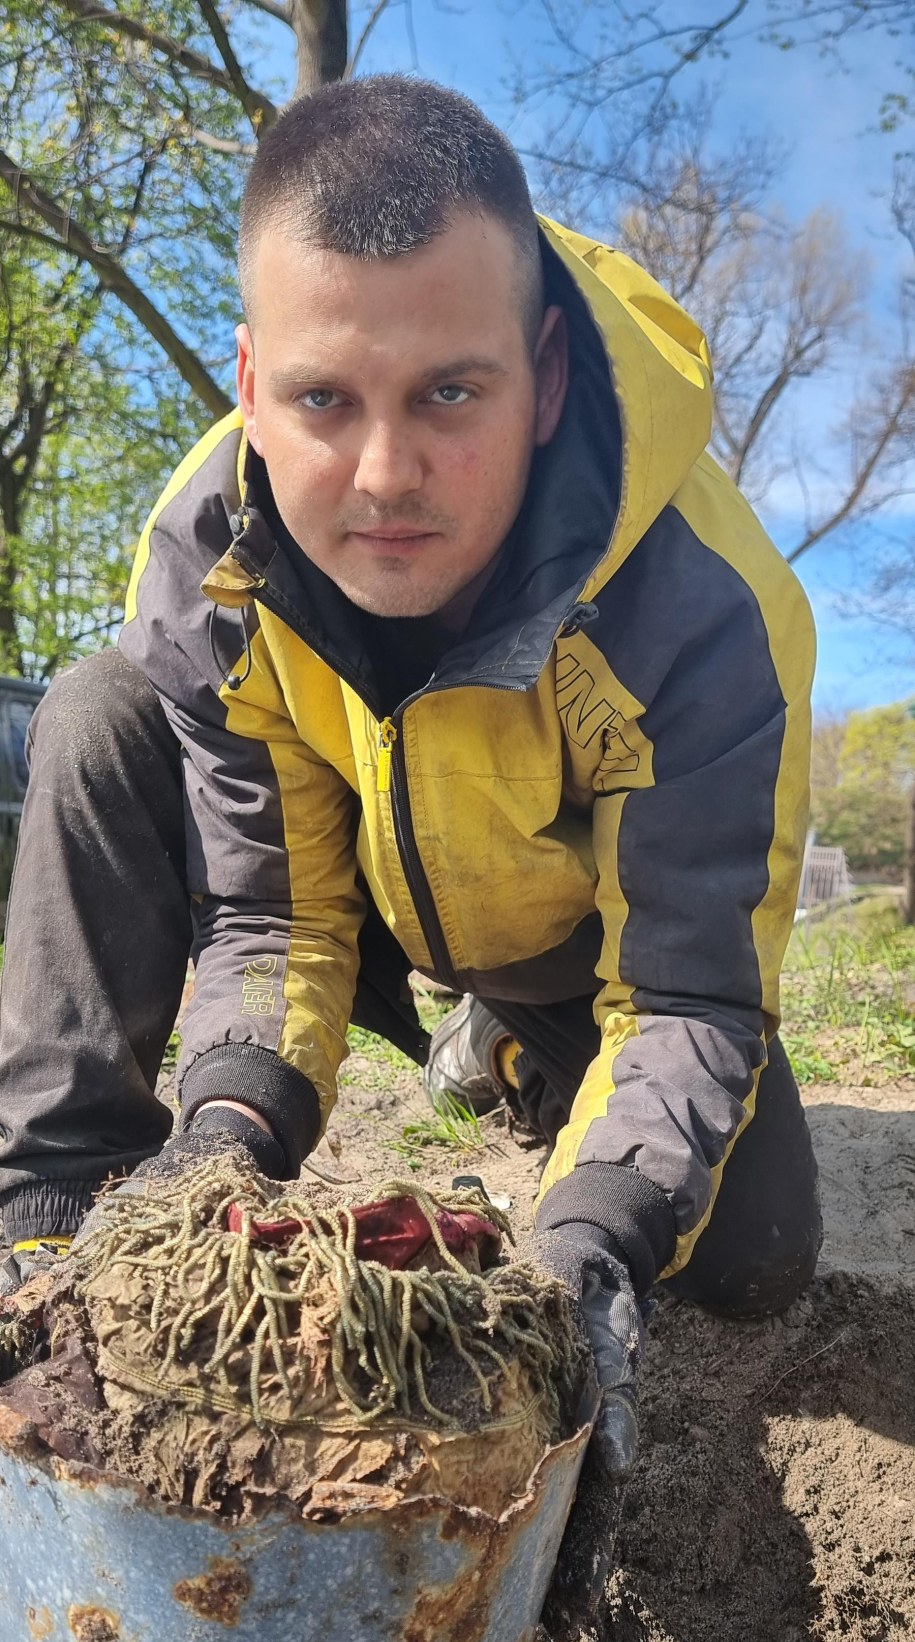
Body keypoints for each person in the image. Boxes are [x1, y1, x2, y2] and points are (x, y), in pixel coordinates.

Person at [0, 76, 820, 1531]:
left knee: (747, 1245)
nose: (384, 477)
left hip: (572, 941)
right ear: (251, 382)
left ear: (546, 374)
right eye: (323, 399)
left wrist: (588, 1255)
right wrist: (223, 1144)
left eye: (451, 392)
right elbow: (269, 909)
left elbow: (692, 989)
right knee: (93, 704)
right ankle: (51, 1219)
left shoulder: (710, 607)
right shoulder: (207, 564)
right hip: (357, 896)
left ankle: (506, 1045)